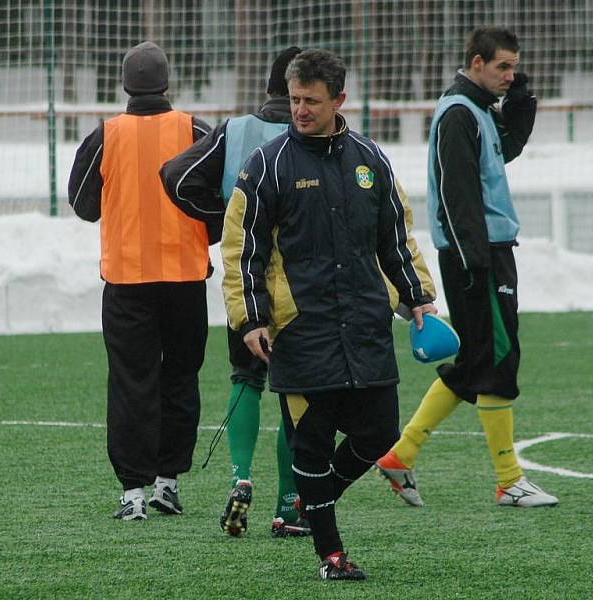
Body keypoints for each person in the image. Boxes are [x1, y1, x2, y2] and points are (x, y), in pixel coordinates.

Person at [220, 48, 437, 581]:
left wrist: (418, 296)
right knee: (311, 444)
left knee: (380, 432)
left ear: (339, 99)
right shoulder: (266, 164)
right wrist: (250, 319)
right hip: (302, 330)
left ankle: (313, 501)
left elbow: (395, 238)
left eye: (311, 101)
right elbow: (240, 249)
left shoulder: (371, 160)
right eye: (294, 100)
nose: (299, 110)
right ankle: (330, 553)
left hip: (365, 323)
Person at [375, 27, 559, 508]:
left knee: (477, 362)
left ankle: (401, 454)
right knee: (498, 360)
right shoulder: (458, 113)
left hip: (482, 251)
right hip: (477, 254)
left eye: (513, 67)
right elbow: (456, 194)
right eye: (502, 66)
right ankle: (508, 480)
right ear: (475, 63)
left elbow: (506, 149)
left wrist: (522, 103)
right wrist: (474, 260)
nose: (509, 75)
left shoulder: (477, 110)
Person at [159, 46, 312, 539]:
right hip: (297, 282)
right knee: (296, 391)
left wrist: (219, 218)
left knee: (245, 378)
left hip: (242, 274)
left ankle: (239, 477)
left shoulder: (235, 129)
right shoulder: (310, 133)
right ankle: (290, 505)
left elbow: (175, 176)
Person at [68, 41, 213, 521]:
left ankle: (132, 493)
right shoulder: (194, 129)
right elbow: (223, 196)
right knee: (180, 378)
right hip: (185, 278)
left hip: (127, 281)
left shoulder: (106, 134)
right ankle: (168, 483)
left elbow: (83, 205)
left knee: (132, 383)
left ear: (126, 86)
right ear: (167, 84)